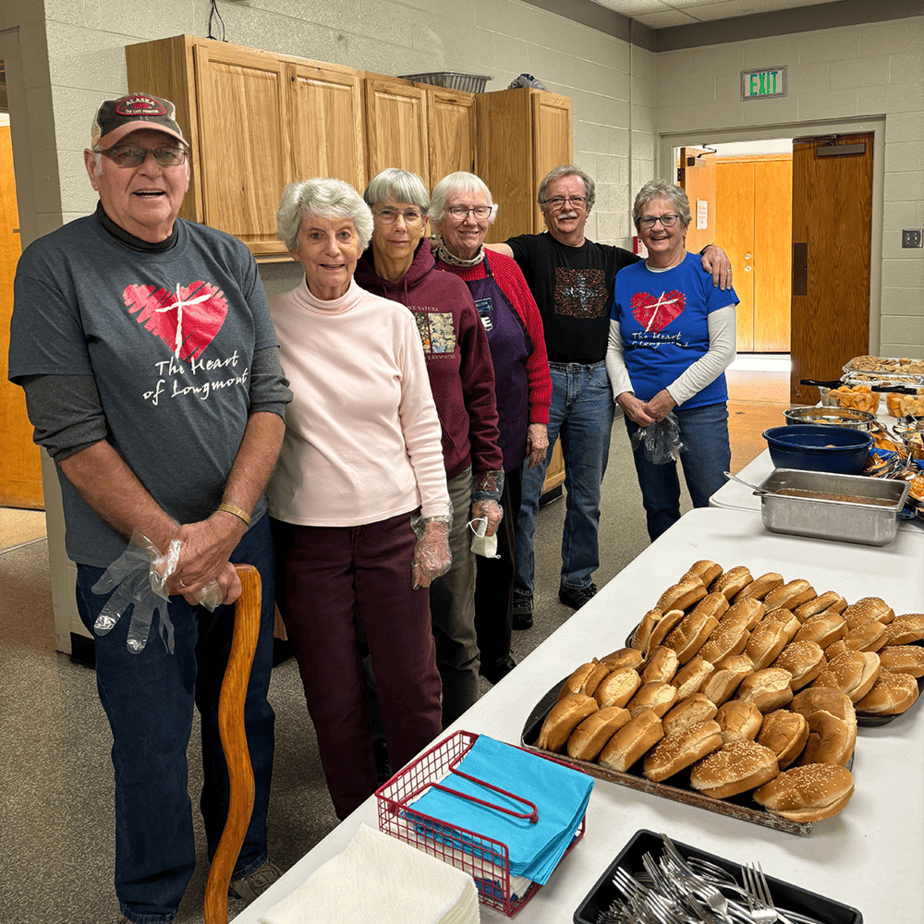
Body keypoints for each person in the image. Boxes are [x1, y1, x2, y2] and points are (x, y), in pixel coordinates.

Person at [7, 93, 291, 924]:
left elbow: (268, 398)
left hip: (243, 540)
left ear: (187, 167)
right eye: (129, 155)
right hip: (129, 564)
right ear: (95, 166)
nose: (150, 171)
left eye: (164, 154)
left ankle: (244, 857)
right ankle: (156, 900)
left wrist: (229, 524)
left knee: (245, 708)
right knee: (152, 739)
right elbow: (70, 435)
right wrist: (175, 549)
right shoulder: (56, 267)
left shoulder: (226, 257)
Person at [268, 178, 450, 819]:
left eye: (345, 234)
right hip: (309, 539)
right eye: (315, 234)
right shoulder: (270, 323)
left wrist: (436, 523)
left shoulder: (392, 319)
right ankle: (357, 824)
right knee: (333, 694)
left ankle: (425, 814)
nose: (332, 248)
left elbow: (421, 425)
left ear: (360, 241)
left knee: (411, 685)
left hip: (392, 531)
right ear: (294, 243)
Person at [488, 165, 732, 618]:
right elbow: (484, 247)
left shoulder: (614, 261)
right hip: (548, 384)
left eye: (575, 199)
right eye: (556, 200)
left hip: (600, 385)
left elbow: (672, 263)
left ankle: (578, 579)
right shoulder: (530, 250)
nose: (566, 207)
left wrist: (713, 249)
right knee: (525, 494)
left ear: (589, 207)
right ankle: (518, 591)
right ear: (544, 208)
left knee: (588, 493)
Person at [354, 168, 504, 725]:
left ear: (426, 224)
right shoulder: (349, 288)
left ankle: (462, 734)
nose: (398, 225)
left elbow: (480, 395)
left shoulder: (449, 292)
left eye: (410, 213)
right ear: (367, 219)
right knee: (381, 626)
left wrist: (490, 483)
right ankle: (386, 742)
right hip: (378, 490)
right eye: (385, 212)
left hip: (452, 479)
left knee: (453, 621)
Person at [428, 171, 551, 681]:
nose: (471, 220)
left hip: (507, 435)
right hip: (446, 442)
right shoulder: (422, 277)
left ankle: (497, 652)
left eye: (480, 211)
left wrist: (539, 421)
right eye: (459, 210)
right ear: (435, 219)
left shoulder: (506, 270)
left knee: (495, 546)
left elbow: (536, 349)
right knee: (448, 553)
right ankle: (449, 654)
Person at [607, 179, 738, 540]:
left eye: (668, 218)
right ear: (638, 228)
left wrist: (672, 396)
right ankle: (670, 578)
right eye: (648, 220)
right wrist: (624, 396)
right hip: (642, 411)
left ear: (685, 224)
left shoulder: (710, 273)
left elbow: (724, 350)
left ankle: (718, 580)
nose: (658, 227)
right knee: (658, 504)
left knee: (713, 500)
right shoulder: (625, 278)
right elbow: (614, 347)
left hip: (701, 409)